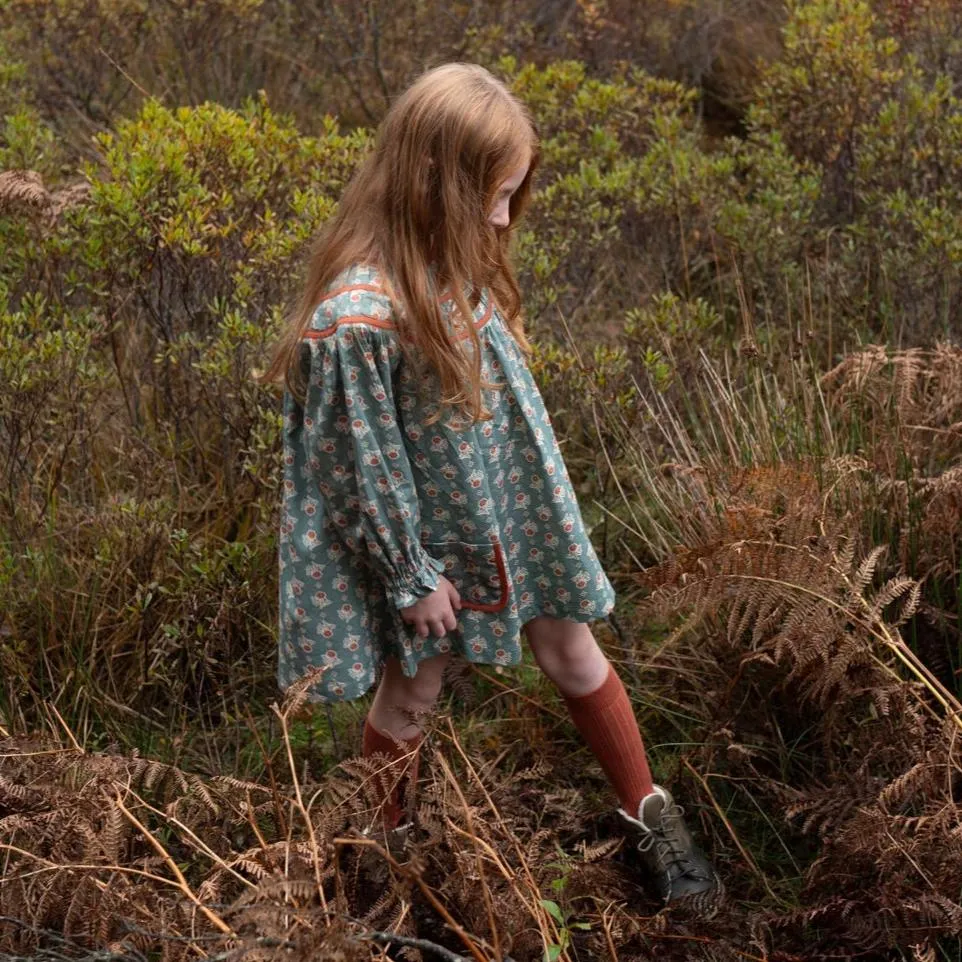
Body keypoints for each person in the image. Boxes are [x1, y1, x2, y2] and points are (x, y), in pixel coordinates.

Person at [259, 62, 719, 903]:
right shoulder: (358, 309)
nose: (505, 216)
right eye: (493, 195)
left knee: (570, 645)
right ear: (434, 183)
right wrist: (409, 573)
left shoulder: (448, 256)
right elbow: (359, 462)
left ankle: (650, 817)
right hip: (429, 540)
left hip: (508, 504)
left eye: (514, 193)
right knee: (415, 688)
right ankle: (388, 867)